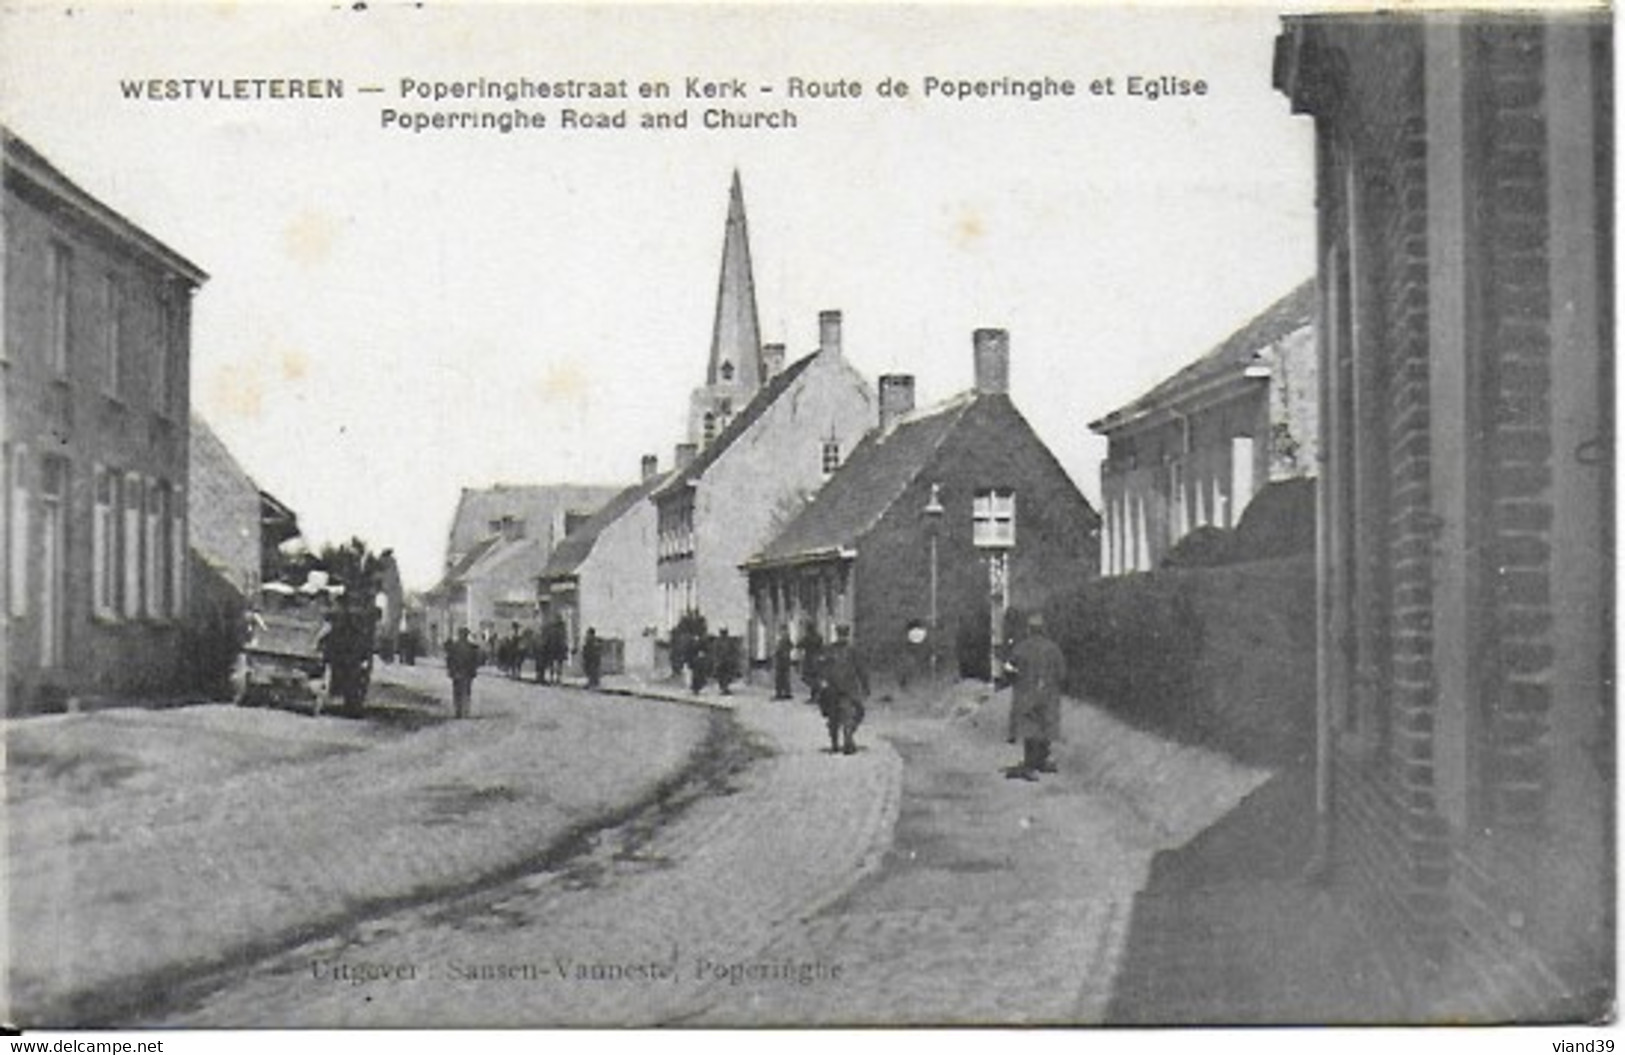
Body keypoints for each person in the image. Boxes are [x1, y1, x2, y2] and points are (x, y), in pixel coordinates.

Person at [1004, 612, 1066, 780]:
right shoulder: (1053, 648)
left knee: (1029, 727)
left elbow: (1008, 667)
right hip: (1048, 694)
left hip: (1027, 693)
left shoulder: (1022, 647)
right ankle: (1042, 761)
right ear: (1043, 629)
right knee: (1046, 725)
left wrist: (1014, 679)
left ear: (1029, 630)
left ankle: (1030, 765)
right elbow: (1062, 673)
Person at [818, 625, 869, 755]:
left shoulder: (849, 651)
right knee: (839, 715)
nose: (842, 637)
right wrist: (822, 680)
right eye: (841, 635)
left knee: (850, 714)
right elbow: (823, 666)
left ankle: (844, 739)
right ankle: (841, 741)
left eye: (843, 635)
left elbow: (860, 669)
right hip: (839, 688)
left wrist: (865, 685)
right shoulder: (833, 650)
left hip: (843, 688)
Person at [445, 627, 482, 719]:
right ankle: (465, 711)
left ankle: (458, 711)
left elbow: (449, 660)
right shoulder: (471, 647)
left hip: (458, 672)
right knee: (466, 692)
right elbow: (476, 661)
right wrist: (474, 670)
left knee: (457, 692)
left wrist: (450, 670)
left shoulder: (454, 646)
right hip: (467, 673)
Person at [714, 628, 740, 695]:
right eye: (723, 632)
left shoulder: (729, 641)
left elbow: (734, 650)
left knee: (727, 675)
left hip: (727, 661)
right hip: (721, 661)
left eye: (724, 632)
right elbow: (715, 652)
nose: (723, 634)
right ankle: (723, 688)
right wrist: (716, 660)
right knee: (721, 675)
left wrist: (733, 658)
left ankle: (725, 688)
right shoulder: (718, 641)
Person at [773, 628, 795, 700]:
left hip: (782, 662)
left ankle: (781, 693)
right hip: (784, 662)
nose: (784, 634)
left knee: (781, 678)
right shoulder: (786, 640)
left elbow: (777, 650)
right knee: (784, 677)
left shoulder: (781, 641)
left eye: (784, 633)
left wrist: (780, 652)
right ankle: (785, 693)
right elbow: (792, 646)